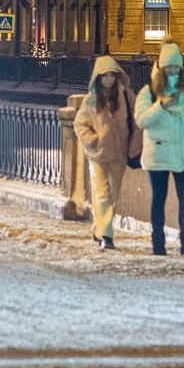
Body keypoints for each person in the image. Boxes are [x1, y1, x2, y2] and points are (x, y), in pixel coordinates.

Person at [134, 46, 184, 258]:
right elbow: (141, 119)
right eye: (169, 68)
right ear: (161, 68)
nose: (173, 72)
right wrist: (162, 106)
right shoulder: (148, 92)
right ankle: (158, 244)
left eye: (177, 67)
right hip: (157, 154)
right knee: (159, 199)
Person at [76, 55, 136, 251]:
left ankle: (98, 228)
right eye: (105, 76)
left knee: (113, 196)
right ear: (98, 78)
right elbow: (79, 123)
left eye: (112, 75)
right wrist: (91, 139)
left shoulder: (126, 96)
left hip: (119, 154)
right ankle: (107, 236)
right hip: (98, 155)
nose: (109, 79)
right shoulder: (91, 99)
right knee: (102, 195)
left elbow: (138, 118)